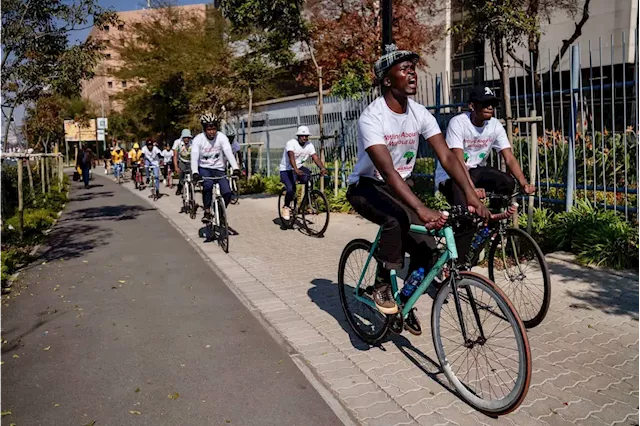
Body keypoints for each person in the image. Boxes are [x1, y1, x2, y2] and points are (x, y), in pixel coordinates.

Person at [345, 44, 490, 334]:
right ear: (387, 80)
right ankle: (383, 284)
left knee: (425, 248)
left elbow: (448, 156)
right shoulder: (372, 118)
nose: (412, 73)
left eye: (413, 68)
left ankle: (404, 301)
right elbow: (387, 171)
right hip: (368, 186)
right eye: (404, 68)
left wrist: (472, 196)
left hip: (400, 187)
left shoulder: (420, 113)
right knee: (395, 219)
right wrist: (420, 208)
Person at [434, 85, 535, 261]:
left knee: (506, 182)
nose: (490, 107)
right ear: (472, 106)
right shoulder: (458, 122)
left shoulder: (494, 125)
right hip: (452, 176)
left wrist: (523, 182)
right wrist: (471, 190)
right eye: (485, 103)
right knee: (465, 216)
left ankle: (490, 222)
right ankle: (458, 264)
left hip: (476, 172)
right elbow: (457, 161)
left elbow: (509, 157)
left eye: (493, 104)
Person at [191, 113, 241, 223]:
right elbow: (194, 157)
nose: (212, 132)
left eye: (214, 128)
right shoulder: (198, 140)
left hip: (219, 169)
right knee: (207, 186)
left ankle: (220, 210)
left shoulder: (221, 137)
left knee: (227, 193)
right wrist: (195, 172)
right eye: (209, 129)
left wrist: (236, 168)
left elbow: (229, 153)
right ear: (205, 129)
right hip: (205, 168)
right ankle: (207, 211)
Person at [278, 126, 328, 221]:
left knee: (309, 178)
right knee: (290, 189)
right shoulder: (291, 143)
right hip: (286, 170)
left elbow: (315, 157)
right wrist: (295, 169)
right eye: (302, 136)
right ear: (298, 136)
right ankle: (286, 206)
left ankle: (307, 202)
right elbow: (291, 156)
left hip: (299, 168)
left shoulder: (309, 145)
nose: (305, 138)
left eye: (306, 136)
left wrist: (322, 168)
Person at [172, 129, 193, 195]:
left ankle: (191, 189)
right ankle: (180, 187)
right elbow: (175, 155)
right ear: (182, 138)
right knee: (181, 174)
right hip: (182, 160)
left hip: (191, 161)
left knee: (192, 176)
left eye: (188, 138)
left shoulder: (193, 143)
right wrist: (176, 167)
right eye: (184, 138)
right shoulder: (177, 142)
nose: (186, 139)